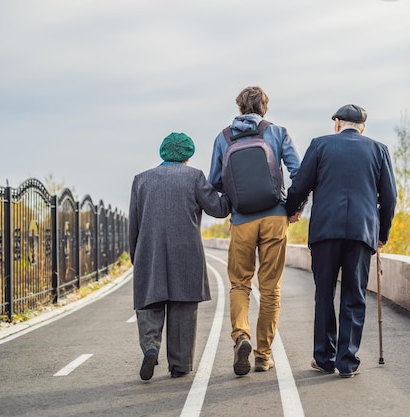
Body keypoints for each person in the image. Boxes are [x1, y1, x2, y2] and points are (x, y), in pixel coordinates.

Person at [285, 104, 397, 378]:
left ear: (337, 123)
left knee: (324, 294)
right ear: (362, 127)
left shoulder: (320, 145)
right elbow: (390, 197)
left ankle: (324, 358)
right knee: (354, 296)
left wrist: (291, 210)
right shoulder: (379, 149)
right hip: (361, 234)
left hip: (325, 232)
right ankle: (347, 362)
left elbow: (300, 185)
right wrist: (382, 234)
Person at [208, 86, 301, 376]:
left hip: (242, 221)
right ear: (264, 108)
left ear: (239, 108)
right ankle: (263, 356)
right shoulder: (277, 132)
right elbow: (298, 172)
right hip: (275, 218)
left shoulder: (223, 138)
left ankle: (241, 336)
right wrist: (294, 208)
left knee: (239, 285)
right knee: (270, 288)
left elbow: (214, 182)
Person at [129, 132, 230, 381]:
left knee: (149, 304)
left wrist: (137, 257)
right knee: (183, 306)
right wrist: (230, 190)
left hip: (149, 251)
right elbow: (218, 209)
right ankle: (180, 364)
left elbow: (134, 223)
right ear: (187, 156)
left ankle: (151, 347)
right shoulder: (194, 177)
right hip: (186, 253)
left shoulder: (141, 180)